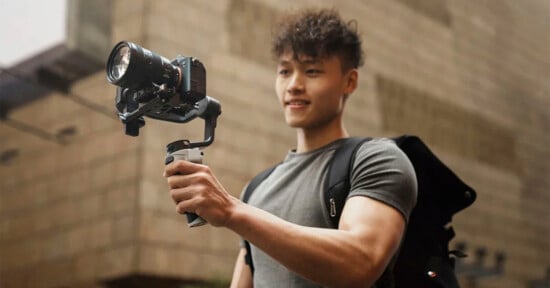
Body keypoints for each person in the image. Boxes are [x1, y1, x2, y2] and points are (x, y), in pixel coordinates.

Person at [164, 8, 417, 288]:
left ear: (350, 81)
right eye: (285, 71)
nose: (294, 85)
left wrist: (232, 211)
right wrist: (237, 209)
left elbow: (361, 262)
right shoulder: (258, 188)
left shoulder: (378, 159)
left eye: (312, 71)